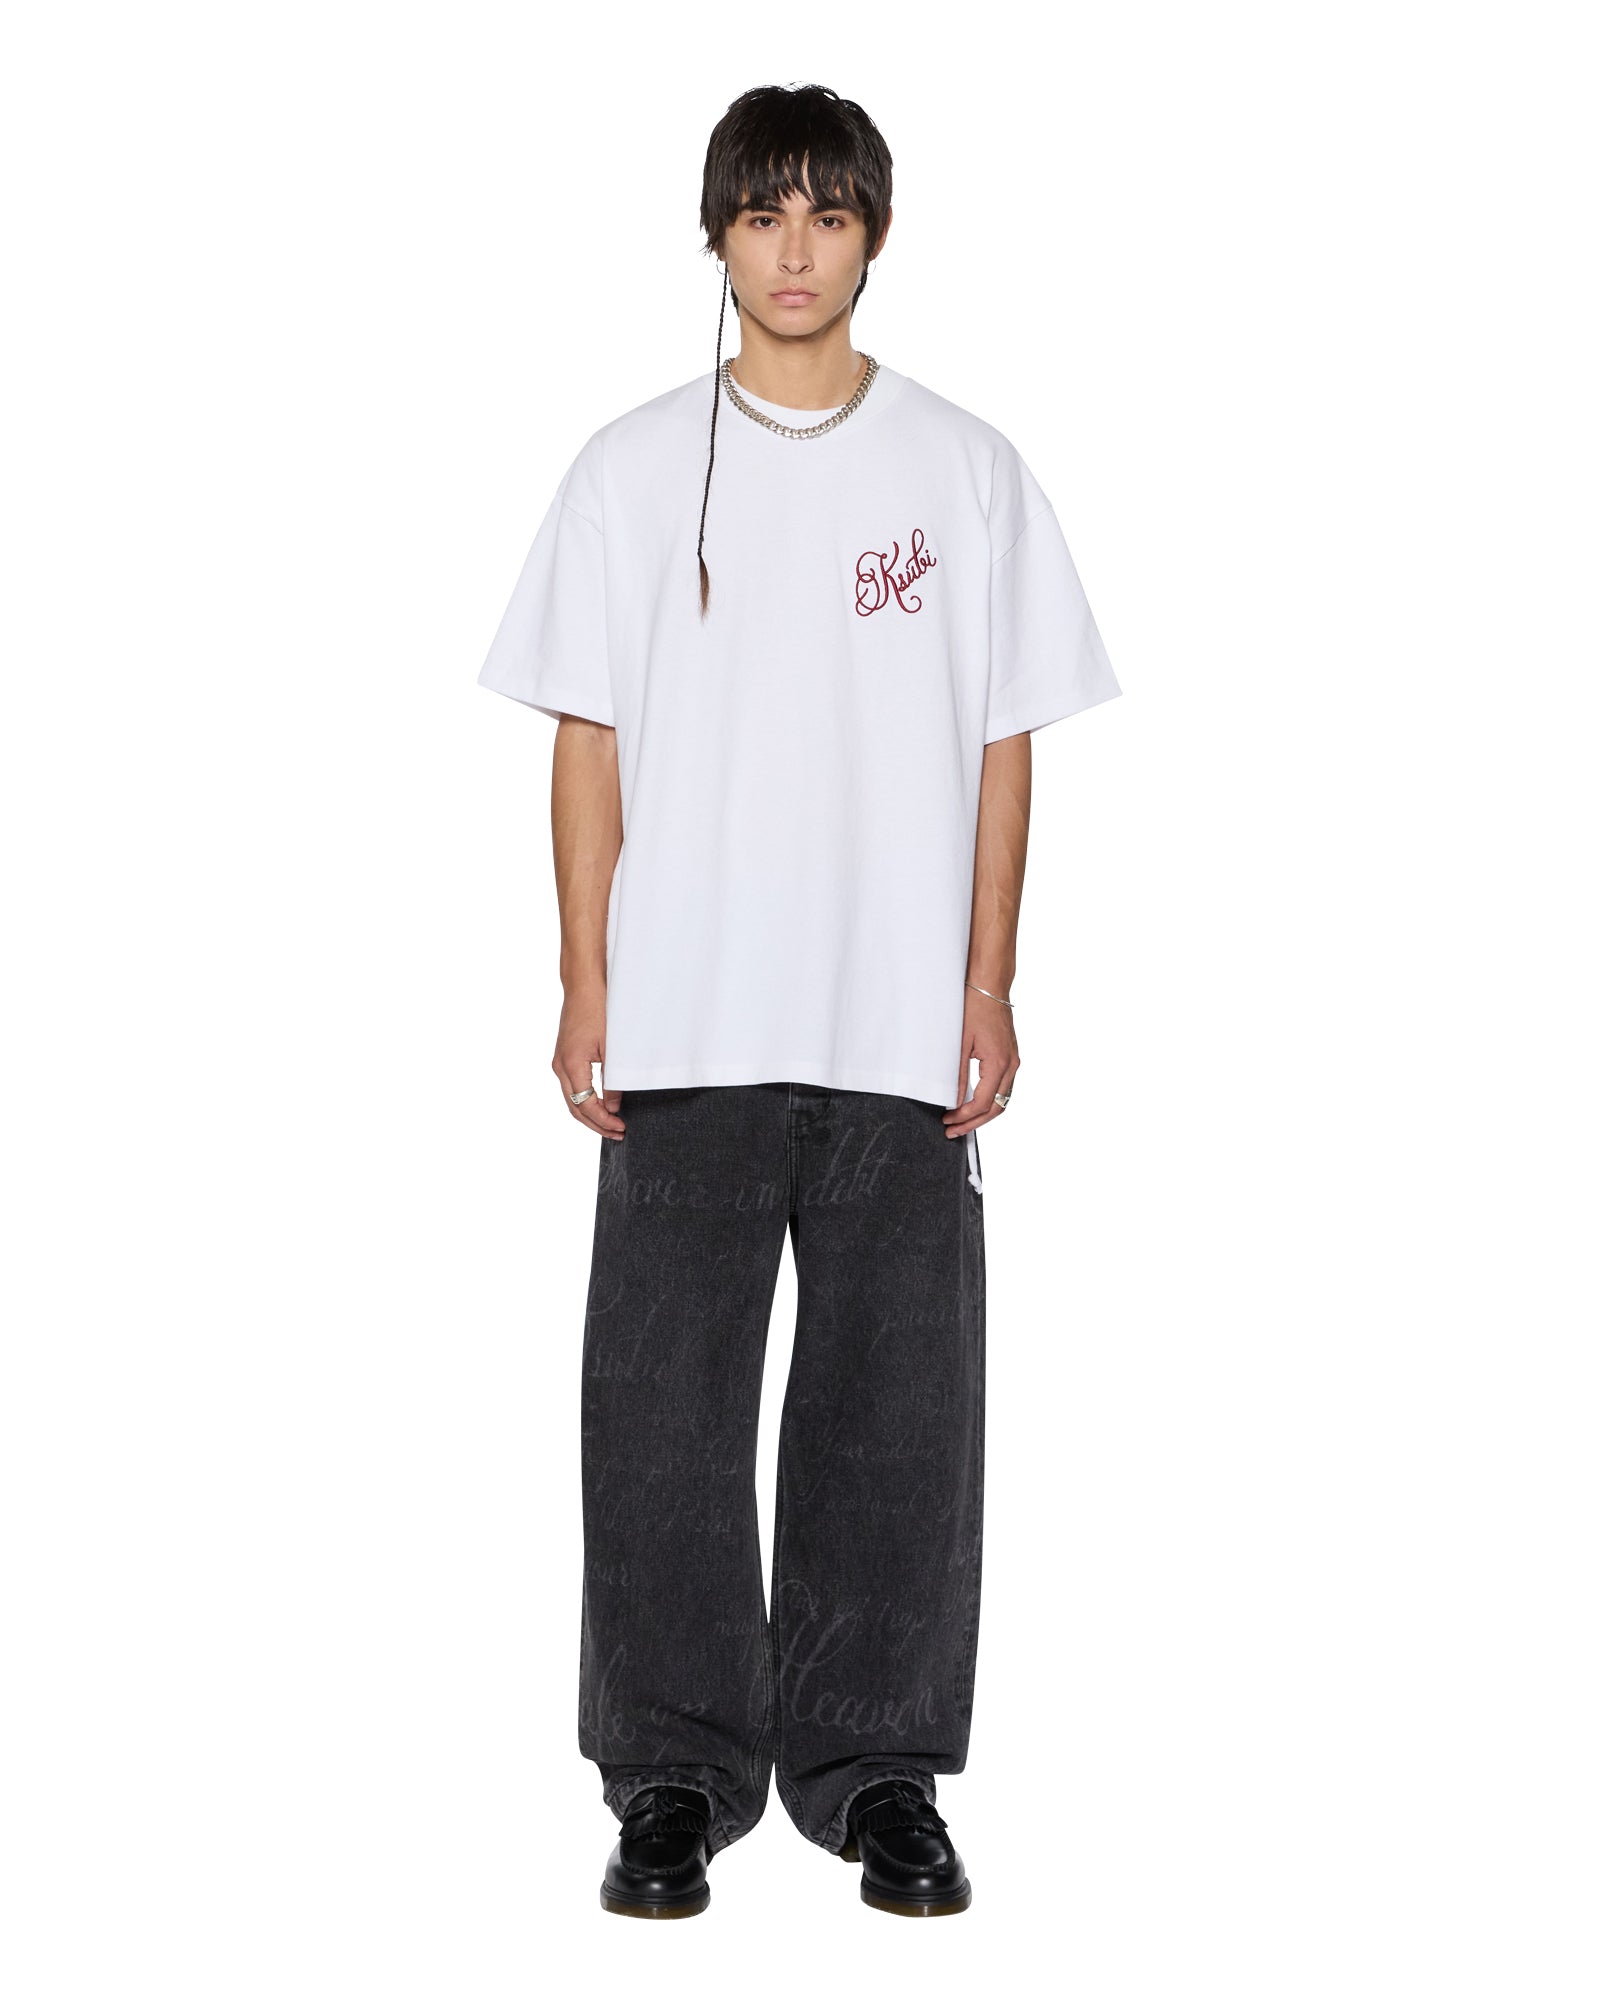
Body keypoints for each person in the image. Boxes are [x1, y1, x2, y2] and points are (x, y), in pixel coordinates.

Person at [476, 82, 1121, 1919]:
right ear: (717, 234)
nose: (793, 249)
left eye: (829, 214)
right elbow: (587, 739)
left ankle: (878, 1770)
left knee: (898, 1412)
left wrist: (988, 979)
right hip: (687, 1012)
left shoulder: (966, 469)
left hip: (897, 1023)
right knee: (659, 1410)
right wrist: (586, 974)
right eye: (762, 212)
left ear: (875, 238)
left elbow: (1004, 741)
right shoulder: (626, 470)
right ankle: (674, 1774)